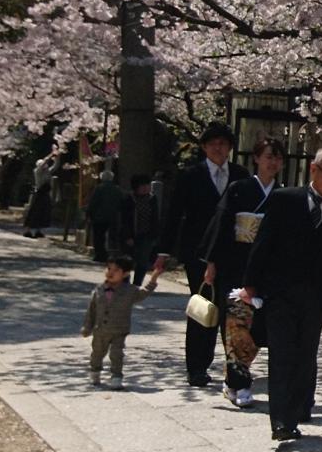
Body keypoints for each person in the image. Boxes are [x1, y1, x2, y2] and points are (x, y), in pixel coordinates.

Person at [242, 147, 322, 442]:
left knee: (306, 356)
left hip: (316, 297)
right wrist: (250, 285)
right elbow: (263, 244)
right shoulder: (284, 200)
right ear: (313, 170)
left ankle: (298, 408)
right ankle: (281, 421)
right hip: (281, 292)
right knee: (281, 355)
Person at [155, 124, 250, 387]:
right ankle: (197, 366)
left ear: (230, 147)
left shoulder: (241, 176)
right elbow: (174, 215)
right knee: (203, 310)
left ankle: (233, 366)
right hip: (197, 253)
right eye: (212, 143)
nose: (218, 148)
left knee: (232, 311)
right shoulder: (190, 175)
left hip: (232, 254)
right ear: (204, 147)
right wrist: (164, 251)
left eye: (223, 143)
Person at [199, 137, 285, 408]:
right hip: (236, 264)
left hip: (268, 270)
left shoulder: (284, 196)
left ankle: (232, 379)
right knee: (237, 326)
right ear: (256, 158)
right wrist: (212, 262)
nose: (273, 162)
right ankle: (240, 382)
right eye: (268, 156)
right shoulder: (239, 190)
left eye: (277, 157)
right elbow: (222, 225)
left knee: (256, 330)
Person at [81, 254, 161, 390]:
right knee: (97, 353)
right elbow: (92, 310)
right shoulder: (99, 289)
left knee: (117, 354)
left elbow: (144, 292)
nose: (110, 273)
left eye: (115, 270)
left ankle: (116, 377)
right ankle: (95, 372)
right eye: (108, 269)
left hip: (120, 330)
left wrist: (153, 278)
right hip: (100, 330)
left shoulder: (130, 291)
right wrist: (87, 327)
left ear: (125, 274)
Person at [121, 175, 161, 286]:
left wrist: (155, 235)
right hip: (131, 234)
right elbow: (124, 219)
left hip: (146, 235)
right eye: (143, 186)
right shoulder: (128, 199)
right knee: (127, 261)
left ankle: (137, 285)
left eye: (147, 185)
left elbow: (155, 218)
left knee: (143, 262)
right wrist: (127, 236)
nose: (146, 188)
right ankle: (125, 283)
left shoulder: (152, 199)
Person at [86, 170, 125, 263]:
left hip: (99, 217)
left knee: (98, 236)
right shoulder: (117, 189)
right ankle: (112, 255)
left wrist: (89, 213)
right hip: (113, 217)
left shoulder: (99, 188)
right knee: (112, 236)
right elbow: (122, 203)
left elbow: (93, 203)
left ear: (102, 178)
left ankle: (100, 254)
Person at [23, 156, 57, 238]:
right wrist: (51, 155)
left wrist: (57, 156)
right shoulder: (37, 171)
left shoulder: (48, 172)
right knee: (34, 212)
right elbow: (43, 164)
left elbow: (56, 166)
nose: (45, 165)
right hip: (38, 194)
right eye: (42, 164)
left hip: (45, 194)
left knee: (43, 212)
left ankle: (39, 231)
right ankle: (28, 230)